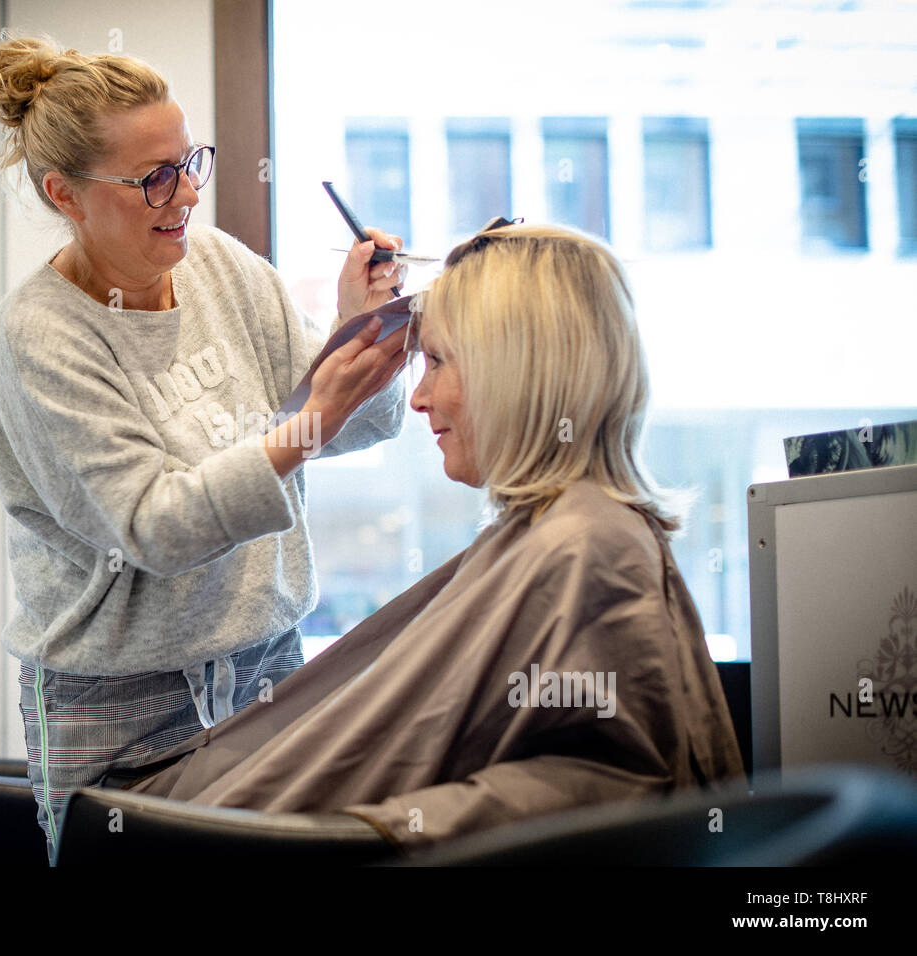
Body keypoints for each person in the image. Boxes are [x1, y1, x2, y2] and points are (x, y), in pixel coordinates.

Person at [119, 220, 747, 852]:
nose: (417, 398)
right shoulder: (564, 537)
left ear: (518, 372)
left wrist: (380, 829)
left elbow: (611, 789)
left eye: (439, 362)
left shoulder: (586, 551)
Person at [0, 34, 409, 862]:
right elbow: (156, 525)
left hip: (267, 668)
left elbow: (338, 423)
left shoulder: (217, 266)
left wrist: (361, 331)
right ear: (66, 193)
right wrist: (312, 418)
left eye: (190, 160)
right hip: (118, 712)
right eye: (154, 178)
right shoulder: (41, 336)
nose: (188, 194)